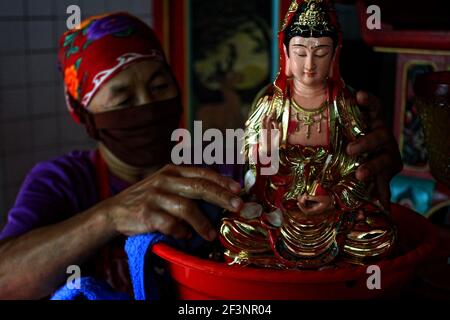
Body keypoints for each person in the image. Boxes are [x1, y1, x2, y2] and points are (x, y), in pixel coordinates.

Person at [0, 12, 402, 299]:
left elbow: (285, 190)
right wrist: (110, 215)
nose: (147, 105)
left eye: (159, 86)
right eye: (122, 97)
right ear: (87, 117)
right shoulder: (62, 180)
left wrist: (353, 164)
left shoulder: (218, 158)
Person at [219, 0, 397, 269]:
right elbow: (250, 162)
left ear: (335, 53)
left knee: (379, 234)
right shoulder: (272, 102)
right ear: (286, 54)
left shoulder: (344, 104)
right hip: (279, 209)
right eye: (300, 52)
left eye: (321, 52)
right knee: (233, 229)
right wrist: (265, 153)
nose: (309, 64)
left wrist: (333, 199)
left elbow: (358, 166)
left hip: (332, 214)